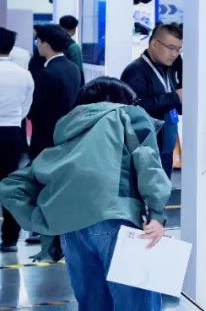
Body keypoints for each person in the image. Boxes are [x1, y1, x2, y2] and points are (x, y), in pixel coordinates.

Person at [0, 77, 171, 311]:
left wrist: (41, 221)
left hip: (71, 229)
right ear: (120, 100)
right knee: (137, 304)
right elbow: (147, 161)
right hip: (117, 219)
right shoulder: (128, 114)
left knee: (92, 305)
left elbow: (11, 185)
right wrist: (157, 214)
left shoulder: (68, 131)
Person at [121, 23, 182, 179]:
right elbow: (135, 108)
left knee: (162, 189)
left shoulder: (168, 68)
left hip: (165, 148)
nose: (174, 54)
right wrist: (174, 97)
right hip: (145, 149)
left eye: (178, 49)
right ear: (154, 44)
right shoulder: (135, 71)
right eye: (171, 48)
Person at [0, 27, 33, 252]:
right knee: (10, 186)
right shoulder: (24, 74)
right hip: (13, 134)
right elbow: (26, 108)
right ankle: (10, 238)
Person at [27, 24, 82, 159]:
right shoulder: (73, 68)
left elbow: (35, 108)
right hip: (67, 133)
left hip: (46, 136)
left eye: (38, 41)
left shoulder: (47, 73)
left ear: (45, 43)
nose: (37, 45)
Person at [58, 15, 84, 83]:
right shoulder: (73, 47)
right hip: (69, 83)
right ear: (74, 29)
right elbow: (78, 71)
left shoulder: (50, 43)